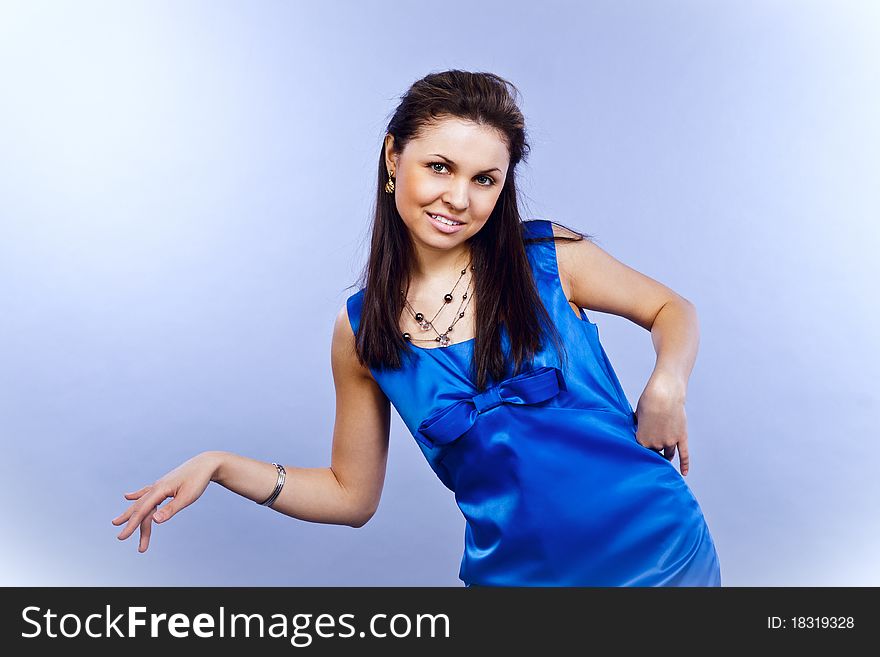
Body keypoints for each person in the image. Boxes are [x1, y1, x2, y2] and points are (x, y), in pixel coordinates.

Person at [113, 69, 721, 587]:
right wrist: (222, 465)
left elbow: (674, 310)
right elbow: (350, 495)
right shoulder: (361, 332)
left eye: (485, 179)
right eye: (439, 167)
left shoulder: (551, 260)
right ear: (392, 157)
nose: (459, 198)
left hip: (660, 557)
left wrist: (668, 383)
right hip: (517, 583)